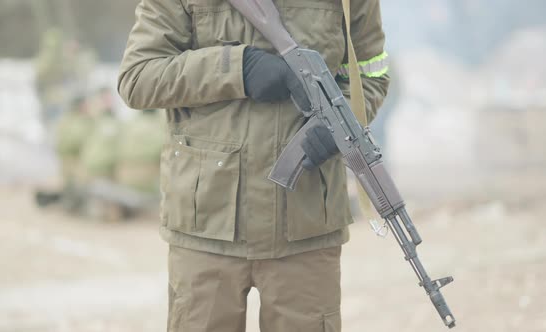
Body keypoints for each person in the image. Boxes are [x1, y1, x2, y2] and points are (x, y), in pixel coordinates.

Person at [118, 1, 389, 331]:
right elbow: (138, 76)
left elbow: (371, 71)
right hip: (208, 223)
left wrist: (341, 121)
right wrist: (235, 68)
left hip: (306, 224)